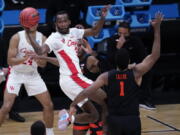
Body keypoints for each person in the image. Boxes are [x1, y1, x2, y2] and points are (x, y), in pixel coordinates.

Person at [69, 12, 163, 135]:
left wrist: (73, 104)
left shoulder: (106, 76)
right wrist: (157, 29)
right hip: (132, 120)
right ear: (129, 61)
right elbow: (155, 55)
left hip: (114, 120)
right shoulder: (136, 74)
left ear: (116, 62)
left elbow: (86, 91)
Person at [27, 7, 109, 127]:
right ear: (56, 24)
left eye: (65, 21)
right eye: (60, 22)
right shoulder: (54, 38)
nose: (63, 24)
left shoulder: (75, 32)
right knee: (107, 101)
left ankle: (69, 118)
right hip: (72, 78)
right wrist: (29, 33)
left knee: (93, 116)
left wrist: (102, 16)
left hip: (71, 80)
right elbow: (40, 51)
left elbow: (95, 31)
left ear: (69, 22)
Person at [0, 7, 54, 135]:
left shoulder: (43, 39)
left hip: (32, 75)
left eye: (35, 22)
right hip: (16, 74)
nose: (33, 24)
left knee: (49, 105)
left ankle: (50, 132)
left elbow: (43, 64)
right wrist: (25, 58)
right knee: (6, 107)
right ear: (25, 23)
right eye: (31, 22)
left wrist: (36, 57)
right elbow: (10, 61)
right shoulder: (16, 37)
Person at [104, 21, 156, 109]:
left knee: (147, 71)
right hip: (117, 67)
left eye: (125, 34)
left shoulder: (135, 40)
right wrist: (118, 48)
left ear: (129, 32)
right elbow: (110, 59)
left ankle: (144, 100)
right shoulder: (111, 40)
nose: (122, 36)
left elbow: (143, 56)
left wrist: (135, 65)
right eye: (120, 33)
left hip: (133, 66)